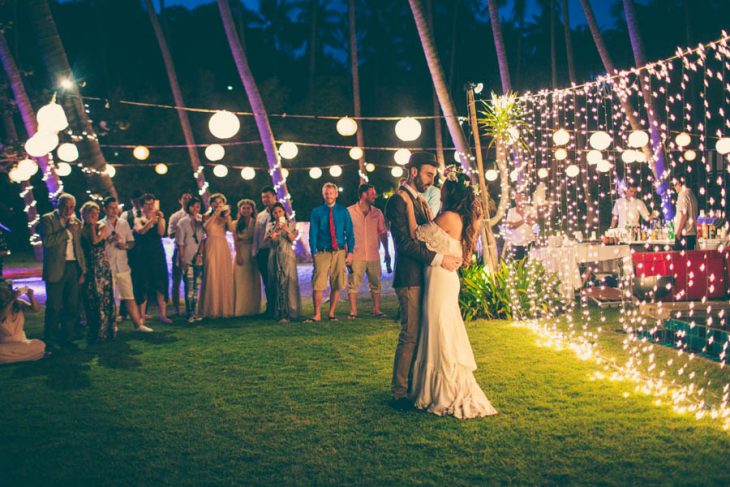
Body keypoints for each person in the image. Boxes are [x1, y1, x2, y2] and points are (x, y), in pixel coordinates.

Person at [408, 165, 498, 418]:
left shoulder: (448, 217)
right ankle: (440, 385)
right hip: (447, 278)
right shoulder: (465, 219)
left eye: (444, 189)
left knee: (439, 330)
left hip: (440, 278)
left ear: (451, 194)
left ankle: (443, 390)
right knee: (442, 327)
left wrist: (418, 212)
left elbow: (419, 234)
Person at [385, 152, 461, 408]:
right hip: (409, 278)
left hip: (425, 276)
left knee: (421, 333)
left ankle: (415, 385)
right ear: (414, 171)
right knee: (409, 334)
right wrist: (439, 259)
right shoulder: (398, 201)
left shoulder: (418, 201)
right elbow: (405, 244)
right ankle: (398, 392)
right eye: (429, 174)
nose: (431, 181)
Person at [40, 193, 86, 349]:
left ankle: (68, 336)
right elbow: (47, 241)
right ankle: (50, 338)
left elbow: (79, 248)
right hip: (56, 268)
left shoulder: (77, 222)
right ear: (58, 205)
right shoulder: (47, 219)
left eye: (71, 207)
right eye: (65, 207)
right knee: (54, 306)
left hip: (73, 266)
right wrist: (66, 231)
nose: (68, 210)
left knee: (72, 305)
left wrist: (82, 270)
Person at [100, 197, 152, 333]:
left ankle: (138, 325)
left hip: (123, 265)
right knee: (110, 299)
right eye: (110, 207)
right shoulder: (100, 224)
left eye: (115, 207)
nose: (114, 210)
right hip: (108, 266)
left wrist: (126, 246)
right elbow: (98, 247)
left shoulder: (123, 223)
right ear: (104, 209)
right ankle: (111, 325)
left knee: (129, 296)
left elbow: (132, 242)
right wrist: (110, 240)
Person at [306, 182, 355, 323]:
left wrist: (350, 252)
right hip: (322, 252)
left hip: (339, 252)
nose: (329, 195)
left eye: (331, 193)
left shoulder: (343, 211)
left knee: (337, 283)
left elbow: (350, 233)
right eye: (326, 193)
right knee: (318, 283)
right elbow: (313, 234)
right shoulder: (317, 212)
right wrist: (314, 252)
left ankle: (331, 313)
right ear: (323, 194)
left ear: (336, 194)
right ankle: (317, 314)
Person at [347, 184, 390, 319]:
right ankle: (353, 311)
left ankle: (377, 309)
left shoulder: (377, 213)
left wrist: (387, 252)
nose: (374, 196)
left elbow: (383, 233)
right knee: (353, 283)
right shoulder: (349, 212)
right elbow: (344, 233)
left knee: (376, 283)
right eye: (372, 193)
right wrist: (347, 253)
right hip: (356, 254)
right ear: (364, 194)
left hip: (373, 254)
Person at [131, 193, 171, 323]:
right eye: (147, 204)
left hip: (157, 252)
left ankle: (163, 314)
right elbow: (141, 231)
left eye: (152, 204)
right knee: (143, 283)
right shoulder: (137, 218)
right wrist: (150, 222)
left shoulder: (159, 218)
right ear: (141, 206)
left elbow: (161, 232)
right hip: (142, 253)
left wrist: (158, 220)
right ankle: (142, 315)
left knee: (160, 282)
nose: (149, 206)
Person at [80, 201, 116, 343]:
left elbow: (95, 241)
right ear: (84, 214)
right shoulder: (80, 229)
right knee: (90, 299)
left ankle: (105, 331)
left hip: (101, 268)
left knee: (103, 299)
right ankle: (93, 330)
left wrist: (91, 225)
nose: (94, 216)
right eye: (91, 213)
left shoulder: (101, 226)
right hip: (88, 267)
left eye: (96, 214)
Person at [199, 193, 234, 318]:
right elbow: (206, 227)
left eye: (221, 202)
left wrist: (228, 217)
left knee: (222, 275)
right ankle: (210, 308)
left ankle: (223, 309)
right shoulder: (206, 216)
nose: (218, 204)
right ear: (211, 203)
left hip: (222, 245)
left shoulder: (225, 216)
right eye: (216, 202)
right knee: (211, 273)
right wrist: (215, 214)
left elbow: (231, 229)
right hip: (210, 244)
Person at [265, 203, 301, 322]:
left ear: (284, 212)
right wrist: (273, 232)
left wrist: (285, 229)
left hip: (287, 254)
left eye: (279, 211)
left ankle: (289, 312)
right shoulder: (270, 225)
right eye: (275, 212)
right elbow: (265, 240)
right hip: (274, 255)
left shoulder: (291, 224)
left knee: (288, 281)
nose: (277, 214)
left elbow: (292, 239)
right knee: (276, 281)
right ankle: (278, 311)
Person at [175, 197, 205, 323]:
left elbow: (203, 239)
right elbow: (180, 243)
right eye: (193, 206)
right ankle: (189, 312)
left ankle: (195, 311)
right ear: (188, 207)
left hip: (198, 258)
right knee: (189, 286)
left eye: (197, 206)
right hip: (186, 257)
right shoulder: (182, 222)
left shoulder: (200, 221)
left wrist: (200, 254)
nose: (195, 209)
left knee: (197, 286)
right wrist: (182, 258)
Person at [0, 279, 44, 364]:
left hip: (21, 342)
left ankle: (13, 357)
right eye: (3, 291)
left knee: (40, 344)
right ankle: (27, 356)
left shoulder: (18, 303)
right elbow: (2, 317)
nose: (6, 293)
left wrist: (31, 296)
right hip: (4, 344)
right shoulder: (10, 303)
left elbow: (36, 309)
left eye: (8, 290)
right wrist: (12, 300)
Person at [233, 199, 262, 316]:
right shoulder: (235, 224)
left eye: (248, 208)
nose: (246, 210)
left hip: (253, 252)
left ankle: (252, 308)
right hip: (241, 252)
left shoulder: (256, 223)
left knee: (252, 280)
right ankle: (240, 308)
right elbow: (235, 241)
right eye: (243, 208)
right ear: (240, 210)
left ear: (252, 210)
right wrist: (238, 254)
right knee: (240, 280)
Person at [252, 186, 277, 316]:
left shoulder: (282, 213)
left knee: (277, 280)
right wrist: (255, 251)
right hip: (263, 251)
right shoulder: (261, 216)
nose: (265, 199)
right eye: (263, 197)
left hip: (277, 251)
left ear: (274, 197)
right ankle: (270, 307)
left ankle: (279, 307)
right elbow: (256, 235)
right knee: (267, 281)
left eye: (267, 196)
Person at [168, 189, 193, 316]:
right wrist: (181, 231)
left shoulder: (197, 215)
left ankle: (191, 307)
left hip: (193, 252)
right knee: (176, 280)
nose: (188, 200)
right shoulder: (175, 216)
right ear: (180, 200)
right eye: (185, 198)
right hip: (179, 251)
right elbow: (170, 234)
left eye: (189, 197)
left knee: (191, 281)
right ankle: (176, 308)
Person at [505, 193, 537, 261]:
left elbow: (532, 222)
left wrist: (522, 214)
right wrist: (524, 219)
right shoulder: (511, 211)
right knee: (518, 265)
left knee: (529, 263)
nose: (517, 200)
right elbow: (510, 226)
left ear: (524, 198)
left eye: (519, 198)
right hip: (516, 242)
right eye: (516, 198)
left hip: (529, 241)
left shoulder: (530, 209)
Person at [672, 175, 698, 251]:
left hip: (684, 233)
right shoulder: (691, 194)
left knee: (680, 260)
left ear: (679, 184)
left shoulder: (682, 195)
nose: (674, 187)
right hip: (692, 233)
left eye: (675, 184)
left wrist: (679, 232)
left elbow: (684, 215)